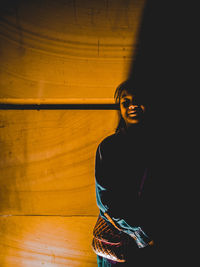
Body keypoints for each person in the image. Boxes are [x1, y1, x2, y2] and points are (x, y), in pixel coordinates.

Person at [94, 79, 159, 266]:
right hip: (119, 243)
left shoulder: (161, 146)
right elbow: (106, 201)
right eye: (126, 101)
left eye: (138, 98)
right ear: (120, 108)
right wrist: (142, 234)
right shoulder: (109, 148)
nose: (133, 105)